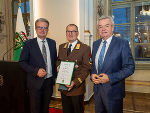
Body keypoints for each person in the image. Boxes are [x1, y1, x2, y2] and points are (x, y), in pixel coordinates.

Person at [91, 15, 135, 113]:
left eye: (106, 26)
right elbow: (94, 65)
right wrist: (92, 74)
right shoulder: (95, 44)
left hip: (113, 93)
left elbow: (130, 67)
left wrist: (110, 78)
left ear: (112, 27)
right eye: (100, 27)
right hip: (98, 92)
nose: (103, 29)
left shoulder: (122, 43)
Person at [19, 18, 57, 113]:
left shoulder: (52, 43)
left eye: (45, 28)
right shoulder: (28, 44)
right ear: (36, 29)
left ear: (48, 30)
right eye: (40, 27)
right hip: (35, 83)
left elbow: (54, 60)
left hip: (49, 83)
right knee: (35, 109)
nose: (42, 30)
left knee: (45, 108)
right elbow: (22, 62)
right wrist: (36, 71)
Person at [57, 24, 91, 113]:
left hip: (76, 88)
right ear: (66, 33)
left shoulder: (85, 48)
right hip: (64, 86)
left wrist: (75, 82)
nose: (70, 33)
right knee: (66, 110)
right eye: (68, 31)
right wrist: (58, 66)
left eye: (73, 31)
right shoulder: (61, 47)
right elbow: (58, 60)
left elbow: (86, 68)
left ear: (77, 33)